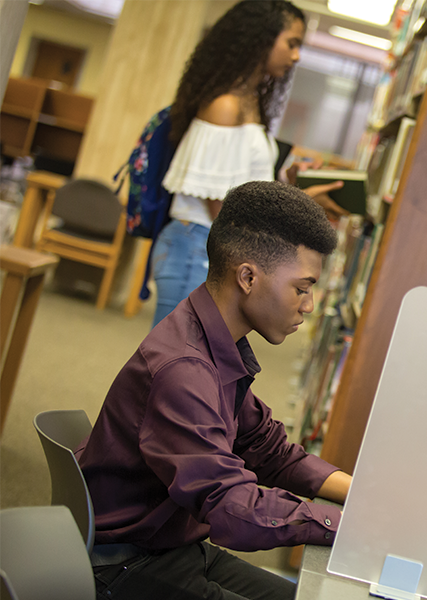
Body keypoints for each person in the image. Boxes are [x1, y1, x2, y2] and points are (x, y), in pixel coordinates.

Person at [77, 181, 352, 600]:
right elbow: (232, 508)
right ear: (248, 277)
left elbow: (268, 449)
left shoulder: (213, 340)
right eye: (301, 288)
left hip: (171, 545)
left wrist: (359, 498)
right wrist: (344, 526)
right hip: (126, 566)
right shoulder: (184, 370)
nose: (309, 305)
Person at [154, 0, 344, 327]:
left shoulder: (249, 103)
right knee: (177, 352)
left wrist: (292, 191)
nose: (296, 56)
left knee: (198, 353)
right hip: (198, 249)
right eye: (291, 43)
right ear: (261, 38)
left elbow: (241, 191)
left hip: (212, 249)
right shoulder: (226, 106)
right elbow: (223, 209)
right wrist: (295, 208)